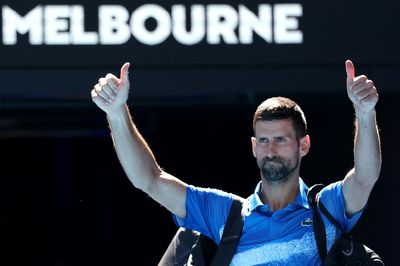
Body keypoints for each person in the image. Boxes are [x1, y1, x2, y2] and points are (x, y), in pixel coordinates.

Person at [91, 60, 381, 265]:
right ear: (254, 147)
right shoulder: (224, 215)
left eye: (281, 140)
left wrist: (365, 113)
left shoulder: (326, 209)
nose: (271, 150)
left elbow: (365, 177)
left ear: (304, 145)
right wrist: (117, 113)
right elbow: (149, 180)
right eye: (264, 141)